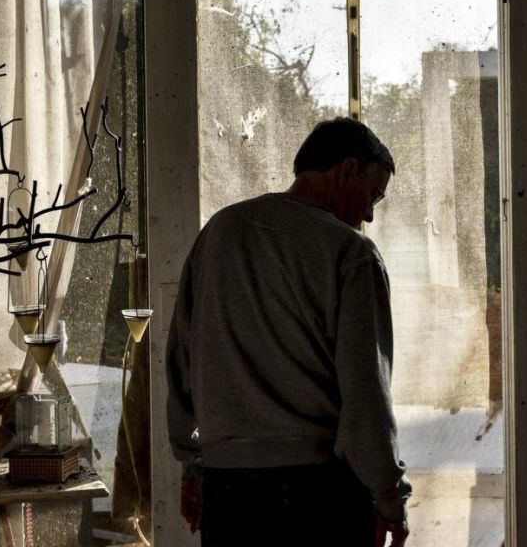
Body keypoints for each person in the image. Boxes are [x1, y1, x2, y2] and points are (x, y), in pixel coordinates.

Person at [167, 117, 412, 547]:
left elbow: (181, 360)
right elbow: (365, 393)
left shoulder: (220, 232)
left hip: (227, 493)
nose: (370, 213)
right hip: (319, 494)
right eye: (373, 194)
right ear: (347, 170)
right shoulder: (351, 253)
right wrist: (389, 496)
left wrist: (193, 464)